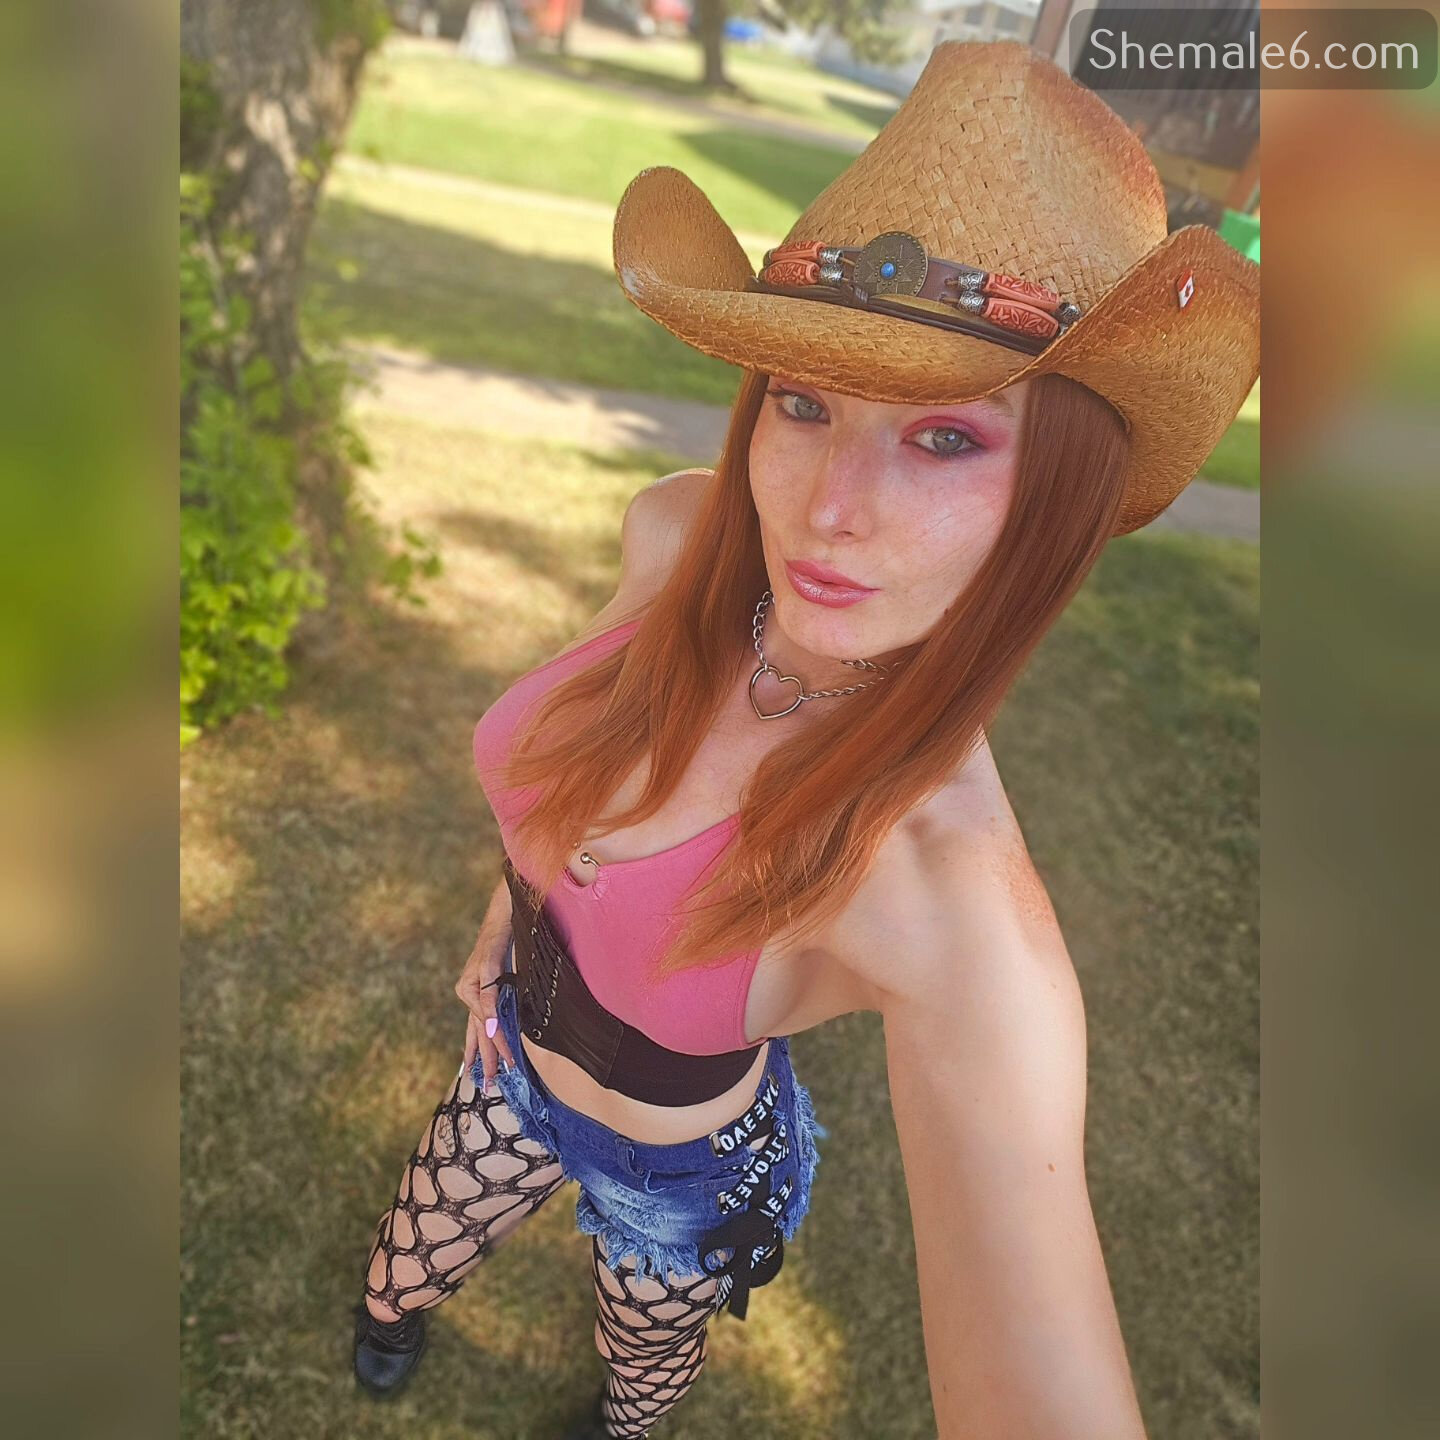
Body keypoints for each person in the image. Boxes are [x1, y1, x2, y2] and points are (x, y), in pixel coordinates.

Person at [350, 39, 1260, 1440]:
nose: (831, 507)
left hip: (675, 1177)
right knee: (404, 1262)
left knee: (640, 1381)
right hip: (508, 1062)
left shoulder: (944, 896)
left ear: (1062, 495)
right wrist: (507, 906)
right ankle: (385, 1328)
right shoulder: (673, 536)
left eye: (946, 438)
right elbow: (582, 792)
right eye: (805, 399)